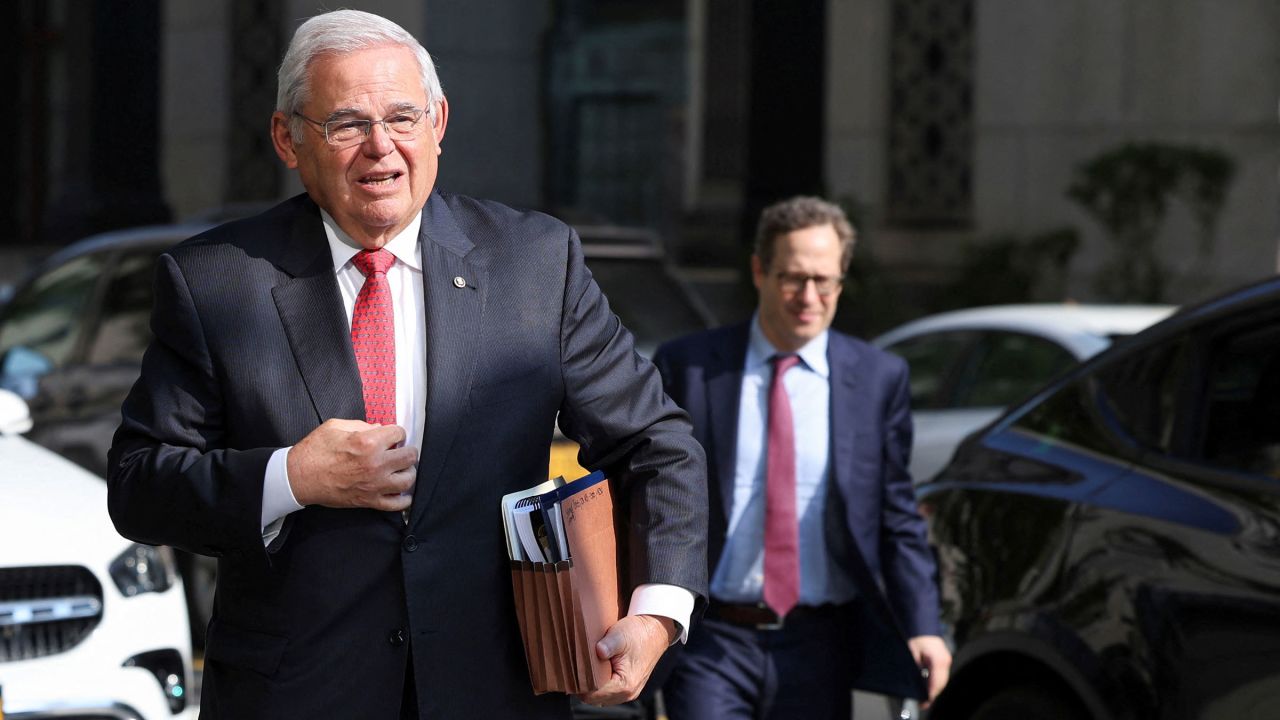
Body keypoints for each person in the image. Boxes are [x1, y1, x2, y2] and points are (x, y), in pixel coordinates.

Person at [106, 10, 707, 719]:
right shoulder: (215, 281)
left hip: (494, 694)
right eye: (347, 124)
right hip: (296, 695)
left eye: (401, 117)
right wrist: (291, 477)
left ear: (439, 121)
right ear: (287, 139)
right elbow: (140, 484)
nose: (380, 147)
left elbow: (656, 446)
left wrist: (657, 613)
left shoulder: (534, 264)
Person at [652, 196, 951, 719]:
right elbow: (650, 495)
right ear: (759, 270)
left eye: (824, 281)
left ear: (841, 279)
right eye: (792, 278)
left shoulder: (878, 379)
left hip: (821, 644)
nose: (808, 296)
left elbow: (896, 516)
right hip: (712, 637)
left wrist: (924, 625)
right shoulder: (691, 367)